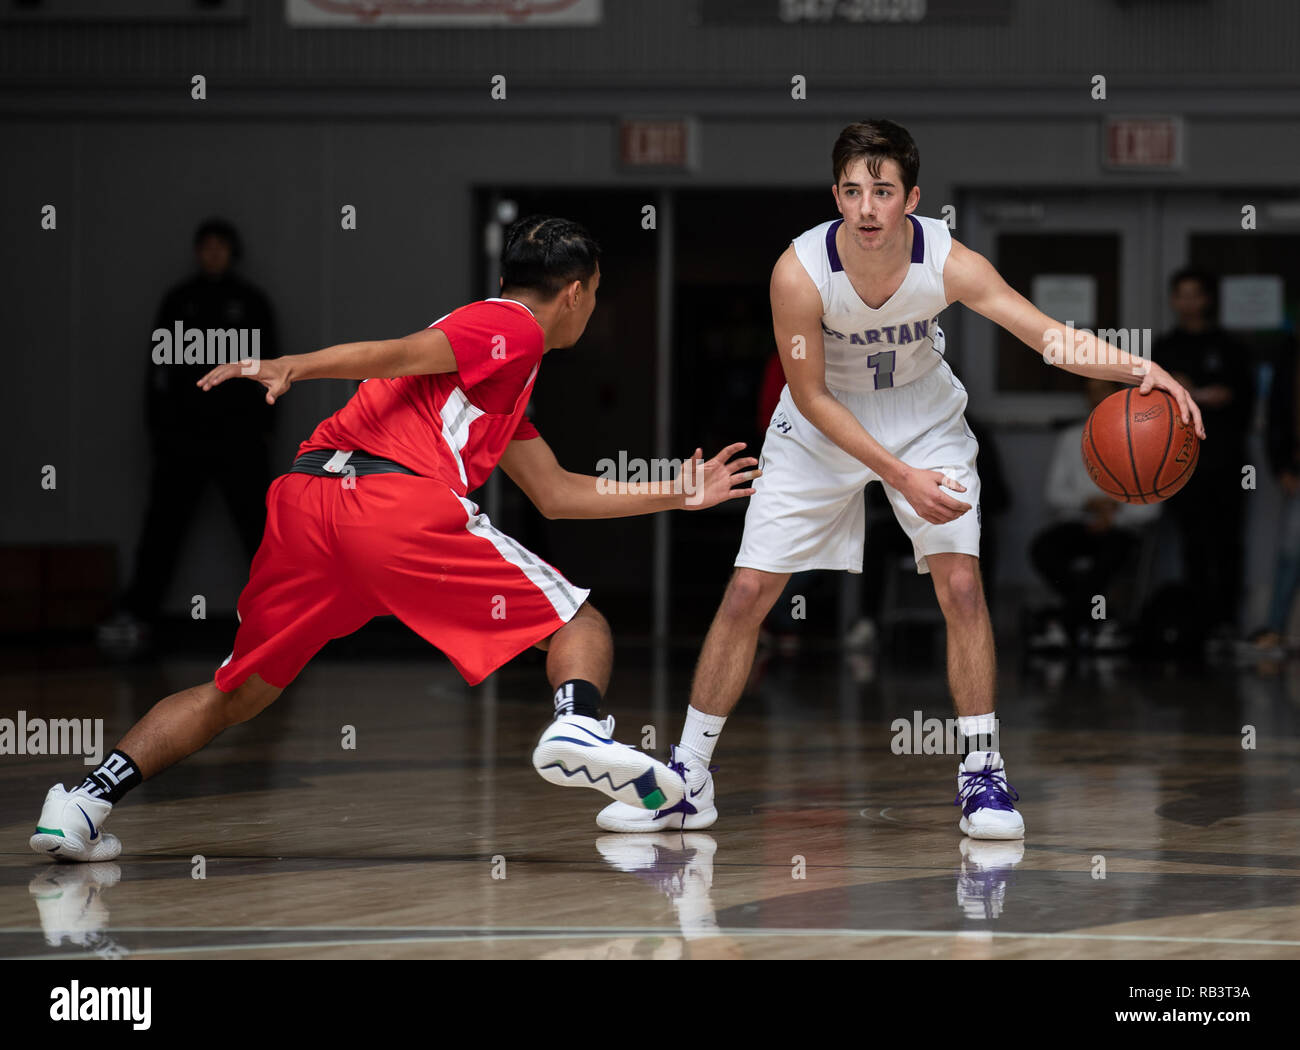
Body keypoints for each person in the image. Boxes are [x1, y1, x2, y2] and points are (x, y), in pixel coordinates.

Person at [30, 216, 760, 862]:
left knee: (236, 692)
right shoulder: (510, 325)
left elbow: (556, 492)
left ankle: (83, 803)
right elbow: (400, 351)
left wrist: (677, 492)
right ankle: (579, 726)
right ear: (574, 293)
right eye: (596, 294)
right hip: (390, 505)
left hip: (309, 506)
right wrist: (297, 365)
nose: (592, 307)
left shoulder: (495, 383)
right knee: (580, 623)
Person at [595, 119, 1203, 841]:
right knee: (750, 590)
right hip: (821, 424)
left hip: (923, 417)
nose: (867, 208)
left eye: (882, 191)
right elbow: (813, 396)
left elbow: (1046, 337)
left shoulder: (949, 261)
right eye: (853, 191)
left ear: (911, 198)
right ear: (836, 196)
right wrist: (897, 476)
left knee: (962, 584)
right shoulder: (798, 272)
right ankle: (688, 778)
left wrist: (1142, 368)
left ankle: (983, 774)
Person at [100, 219, 278, 654]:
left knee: (260, 529)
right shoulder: (179, 301)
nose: (212, 254)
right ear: (197, 252)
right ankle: (137, 616)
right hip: (184, 440)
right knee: (162, 527)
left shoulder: (250, 303)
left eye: (220, 247)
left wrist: (259, 426)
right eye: (206, 247)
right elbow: (157, 373)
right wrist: (160, 428)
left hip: (238, 440)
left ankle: (277, 620)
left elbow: (272, 369)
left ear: (231, 252)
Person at [1154, 268, 1254, 642]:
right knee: (1192, 543)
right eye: (1181, 294)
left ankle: (1228, 625)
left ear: (1208, 299)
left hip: (1227, 461)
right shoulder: (1165, 348)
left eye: (1195, 294)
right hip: (1181, 462)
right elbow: (1154, 404)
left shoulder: (1230, 347)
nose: (1188, 302)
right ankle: (1197, 628)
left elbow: (1237, 398)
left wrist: (1194, 392)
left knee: (1227, 543)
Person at [1029, 378, 1161, 652]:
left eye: (1103, 392)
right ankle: (1101, 620)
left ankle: (1065, 622)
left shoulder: (1142, 439)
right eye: (1091, 393)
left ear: (1119, 397)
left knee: (1110, 555)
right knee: (1043, 548)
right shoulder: (1071, 438)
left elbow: (1153, 506)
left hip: (1121, 527)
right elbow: (1054, 494)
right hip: (1079, 523)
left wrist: (1115, 514)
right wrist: (1088, 504)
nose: (1095, 399)